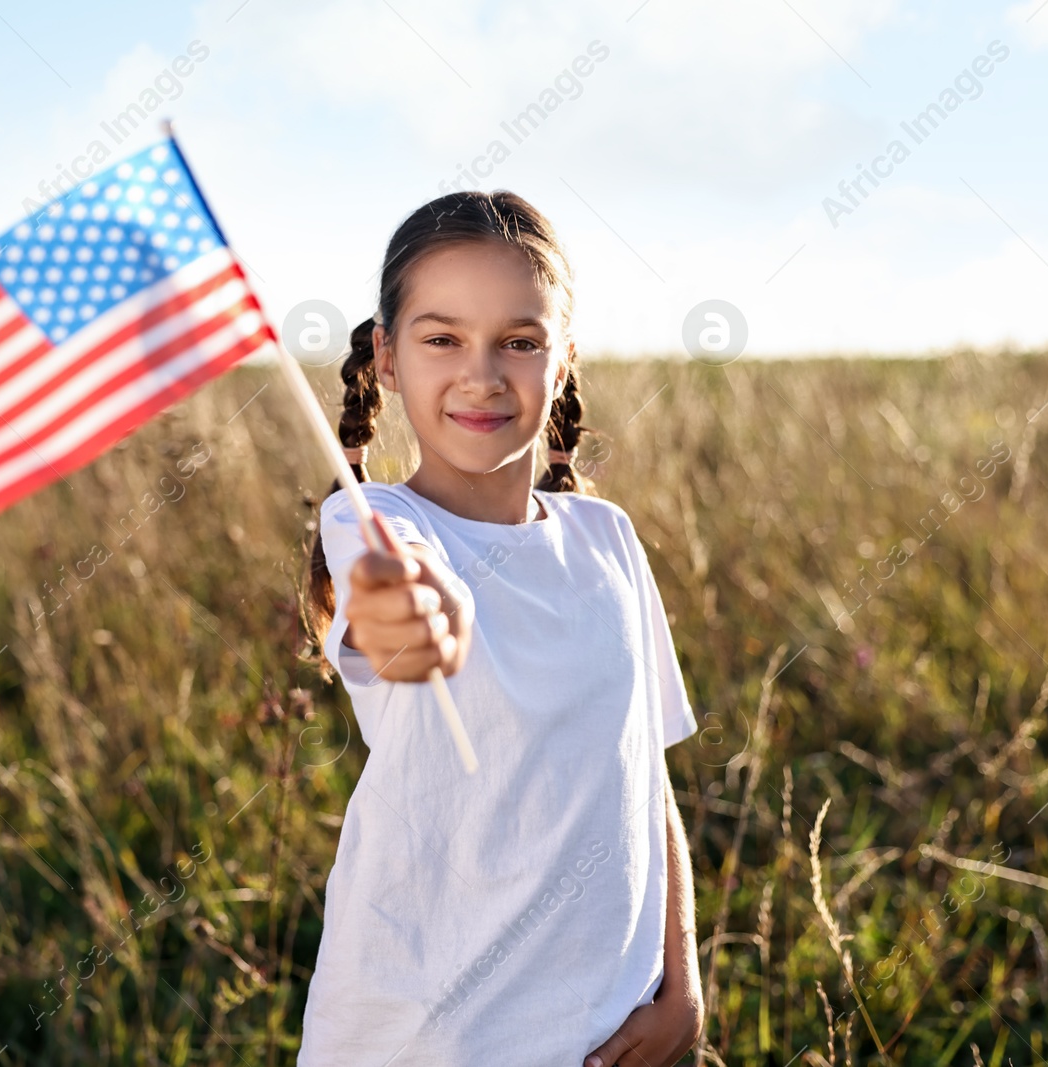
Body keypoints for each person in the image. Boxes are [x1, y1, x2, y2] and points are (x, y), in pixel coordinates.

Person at [296, 189, 702, 1066]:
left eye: (518, 341)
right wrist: (416, 612)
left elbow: (647, 774)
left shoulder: (609, 541)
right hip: (428, 1037)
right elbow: (391, 596)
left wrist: (683, 985)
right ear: (389, 358)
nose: (481, 375)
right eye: (442, 338)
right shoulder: (373, 525)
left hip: (610, 1033)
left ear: (561, 362)